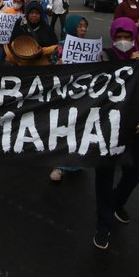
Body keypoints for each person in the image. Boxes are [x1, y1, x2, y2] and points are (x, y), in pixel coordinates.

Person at [93, 17, 139, 250]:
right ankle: (103, 225)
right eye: (119, 37)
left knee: (133, 174)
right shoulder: (105, 56)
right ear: (113, 37)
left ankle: (115, 203)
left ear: (134, 37)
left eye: (128, 37)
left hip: (135, 125)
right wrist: (126, 68)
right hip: (108, 127)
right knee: (104, 176)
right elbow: (97, 85)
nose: (123, 41)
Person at [48, 15, 89, 181]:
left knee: (79, 128)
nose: (83, 29)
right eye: (80, 26)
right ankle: (60, 165)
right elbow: (49, 70)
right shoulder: (60, 47)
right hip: (64, 95)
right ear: (72, 27)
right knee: (63, 127)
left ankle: (76, 161)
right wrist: (56, 66)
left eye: (85, 26)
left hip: (83, 95)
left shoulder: (89, 47)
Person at [7, 0, 58, 65]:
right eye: (31, 13)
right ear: (27, 13)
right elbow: (12, 41)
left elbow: (55, 46)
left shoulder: (46, 27)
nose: (34, 15)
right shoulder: (20, 24)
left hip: (41, 62)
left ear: (41, 14)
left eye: (37, 13)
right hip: (23, 63)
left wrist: (42, 51)